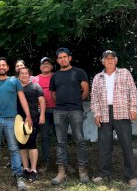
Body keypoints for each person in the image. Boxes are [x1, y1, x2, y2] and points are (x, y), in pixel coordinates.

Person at [0, 57, 33, 191]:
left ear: (8, 67)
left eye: (4, 65)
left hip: (12, 120)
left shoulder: (14, 81)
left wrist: (28, 116)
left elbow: (22, 98)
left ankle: (18, 176)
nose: (2, 67)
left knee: (14, 149)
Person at [90, 50, 137, 188]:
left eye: (112, 58)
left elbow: (133, 92)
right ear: (102, 61)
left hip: (122, 112)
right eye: (107, 58)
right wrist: (96, 113)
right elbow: (94, 98)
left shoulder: (125, 73)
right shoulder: (97, 77)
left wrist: (133, 108)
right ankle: (103, 173)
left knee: (126, 144)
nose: (110, 60)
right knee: (104, 145)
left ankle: (131, 175)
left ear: (116, 60)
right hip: (104, 114)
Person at [50, 47, 90, 184]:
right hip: (59, 111)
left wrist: (76, 103)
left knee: (79, 140)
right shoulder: (55, 76)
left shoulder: (79, 72)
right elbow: (53, 94)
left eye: (65, 57)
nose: (63, 59)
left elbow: (85, 91)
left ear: (69, 58)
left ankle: (83, 171)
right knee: (61, 142)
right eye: (60, 58)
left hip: (76, 111)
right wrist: (62, 103)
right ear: (57, 60)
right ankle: (61, 172)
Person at [17, 67, 46, 183]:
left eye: (26, 73)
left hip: (32, 118)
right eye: (21, 73)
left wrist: (42, 115)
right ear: (18, 75)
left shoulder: (35, 86)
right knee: (22, 143)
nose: (24, 75)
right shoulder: (16, 87)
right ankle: (25, 168)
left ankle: (33, 170)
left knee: (32, 143)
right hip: (18, 119)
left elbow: (42, 102)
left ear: (29, 75)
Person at [32, 57, 56, 171]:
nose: (45, 65)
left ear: (52, 66)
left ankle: (63, 163)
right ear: (40, 67)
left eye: (48, 63)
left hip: (58, 110)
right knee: (45, 137)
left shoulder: (57, 76)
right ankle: (46, 162)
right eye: (43, 64)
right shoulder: (35, 79)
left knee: (61, 137)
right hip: (42, 112)